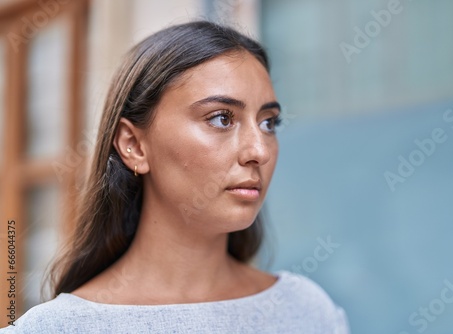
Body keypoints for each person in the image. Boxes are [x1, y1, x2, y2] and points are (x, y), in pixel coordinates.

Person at [1, 20, 349, 333]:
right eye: (221, 118)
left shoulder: (306, 311)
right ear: (133, 145)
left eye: (268, 122)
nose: (259, 150)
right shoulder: (57, 329)